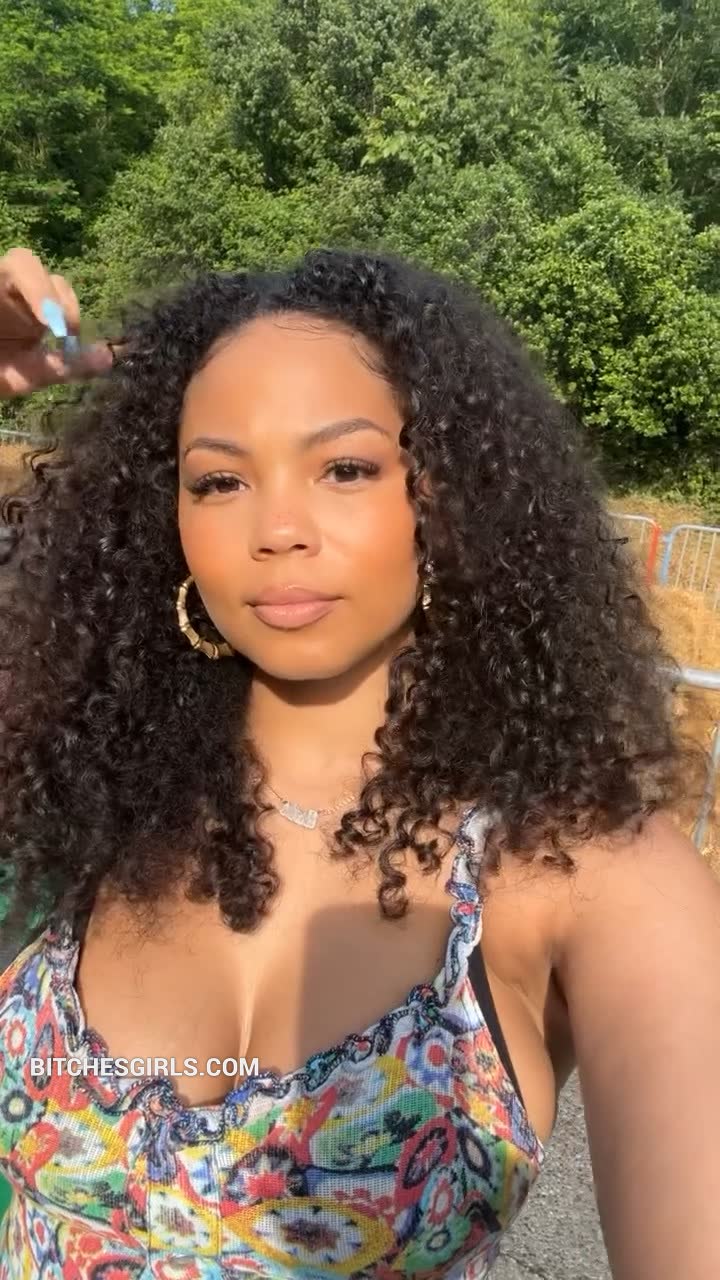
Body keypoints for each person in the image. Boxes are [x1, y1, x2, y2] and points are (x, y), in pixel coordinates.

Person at [0, 243, 717, 1280]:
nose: (277, 530)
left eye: (345, 468)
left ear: (449, 495)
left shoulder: (587, 874)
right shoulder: (74, 785)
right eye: (219, 480)